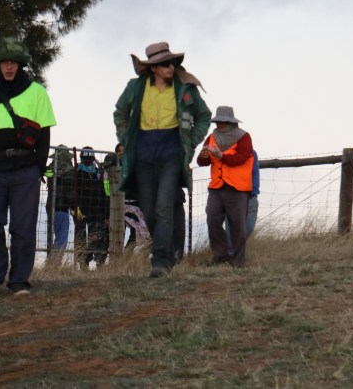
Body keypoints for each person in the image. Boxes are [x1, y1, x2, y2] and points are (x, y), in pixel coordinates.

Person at [113, 41, 211, 278]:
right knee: (148, 209)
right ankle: (168, 252)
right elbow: (120, 113)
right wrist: (124, 140)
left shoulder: (185, 88)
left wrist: (190, 142)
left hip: (172, 152)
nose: (172, 66)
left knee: (164, 205)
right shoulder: (135, 87)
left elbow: (204, 116)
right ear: (153, 67)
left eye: (174, 62)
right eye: (166, 63)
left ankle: (160, 262)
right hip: (143, 153)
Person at [0, 37, 56, 296]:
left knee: (23, 225)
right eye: (4, 62)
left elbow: (44, 133)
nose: (9, 67)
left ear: (21, 65)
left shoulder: (37, 92)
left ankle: (19, 280)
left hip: (25, 169)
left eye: (14, 63)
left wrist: (39, 169)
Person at [196, 106, 254, 268]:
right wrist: (203, 156)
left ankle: (238, 261)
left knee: (237, 225)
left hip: (238, 187)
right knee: (212, 219)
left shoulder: (244, 137)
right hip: (216, 186)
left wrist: (220, 155)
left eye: (222, 121)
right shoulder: (212, 137)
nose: (219, 124)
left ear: (230, 122)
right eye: (217, 121)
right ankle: (220, 255)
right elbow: (202, 162)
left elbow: (241, 158)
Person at [73, 146, 110, 268]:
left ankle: (99, 262)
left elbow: (106, 192)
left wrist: (107, 213)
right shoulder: (76, 172)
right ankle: (84, 263)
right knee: (82, 237)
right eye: (86, 159)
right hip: (81, 211)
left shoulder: (100, 173)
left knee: (98, 237)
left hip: (98, 210)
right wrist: (74, 208)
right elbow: (72, 191)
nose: (88, 163)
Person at [223, 149, 260, 243]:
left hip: (250, 196)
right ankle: (230, 253)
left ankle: (230, 248)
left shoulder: (251, 153)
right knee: (231, 228)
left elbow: (255, 172)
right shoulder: (226, 153)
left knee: (249, 227)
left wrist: (254, 192)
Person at [45, 145, 75, 258]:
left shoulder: (50, 168)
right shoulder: (70, 172)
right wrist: (73, 206)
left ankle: (52, 263)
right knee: (62, 239)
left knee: (56, 236)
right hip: (62, 207)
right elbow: (69, 191)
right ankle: (54, 263)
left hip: (50, 206)